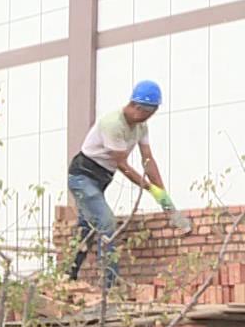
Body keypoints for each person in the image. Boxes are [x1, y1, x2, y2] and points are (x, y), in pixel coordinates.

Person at [66, 79, 177, 284]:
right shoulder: (113, 124)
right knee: (106, 221)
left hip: (100, 180)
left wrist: (163, 195)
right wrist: (151, 189)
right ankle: (110, 286)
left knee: (87, 228)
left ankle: (67, 276)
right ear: (135, 106)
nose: (149, 117)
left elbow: (148, 159)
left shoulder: (141, 127)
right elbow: (123, 166)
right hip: (82, 177)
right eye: (147, 112)